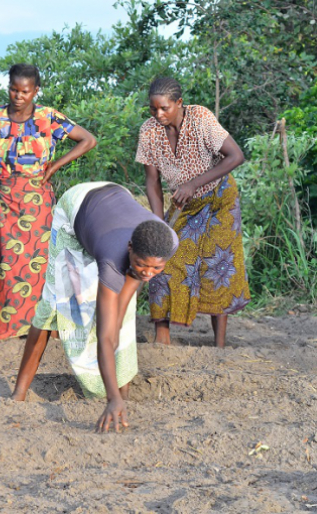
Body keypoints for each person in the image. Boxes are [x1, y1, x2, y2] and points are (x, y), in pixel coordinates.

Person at [11, 182, 178, 433]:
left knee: (124, 317)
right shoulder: (113, 257)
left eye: (157, 268)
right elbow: (105, 336)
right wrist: (110, 398)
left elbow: (122, 310)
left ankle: (123, 395)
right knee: (53, 303)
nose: (149, 273)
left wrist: (119, 314)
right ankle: (18, 394)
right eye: (143, 265)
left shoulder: (167, 242)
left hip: (115, 196)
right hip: (75, 209)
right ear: (130, 249)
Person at [0, 63, 97, 342]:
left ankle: (39, 336)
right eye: (14, 90)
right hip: (2, 201)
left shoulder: (48, 118)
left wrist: (55, 167)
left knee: (38, 268)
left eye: (25, 91)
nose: (18, 96)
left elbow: (88, 140)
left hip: (37, 204)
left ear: (35, 91)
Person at [136, 77, 250, 348]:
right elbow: (152, 181)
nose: (158, 115)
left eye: (164, 108)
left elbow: (236, 156)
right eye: (153, 110)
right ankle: (162, 337)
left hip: (220, 201)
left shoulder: (200, 118)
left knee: (216, 266)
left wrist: (193, 183)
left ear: (179, 103)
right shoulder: (149, 132)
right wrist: (158, 220)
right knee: (164, 257)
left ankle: (219, 345)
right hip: (186, 205)